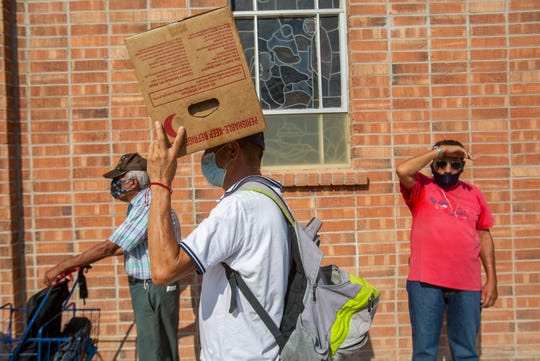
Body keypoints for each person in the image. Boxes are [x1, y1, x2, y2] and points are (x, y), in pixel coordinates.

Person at [146, 122, 289, 360]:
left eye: (210, 150)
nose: (205, 158)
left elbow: (163, 270)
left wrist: (160, 182)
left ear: (232, 151)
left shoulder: (239, 207)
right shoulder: (271, 199)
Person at [44, 153, 181, 361]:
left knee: (154, 353)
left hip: (151, 287)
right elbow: (124, 246)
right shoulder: (141, 203)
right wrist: (82, 262)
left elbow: (111, 247)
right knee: (158, 349)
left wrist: (63, 265)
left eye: (118, 180)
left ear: (132, 182)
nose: (115, 185)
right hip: (148, 287)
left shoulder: (147, 203)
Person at [395, 139, 498, 361]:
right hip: (425, 282)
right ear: (433, 165)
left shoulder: (474, 193)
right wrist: (438, 151)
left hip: (467, 283)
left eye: (455, 164)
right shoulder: (421, 187)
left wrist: (491, 279)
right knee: (424, 352)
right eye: (441, 163)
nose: (448, 169)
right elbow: (402, 169)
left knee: (466, 352)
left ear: (463, 167)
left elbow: (484, 235)